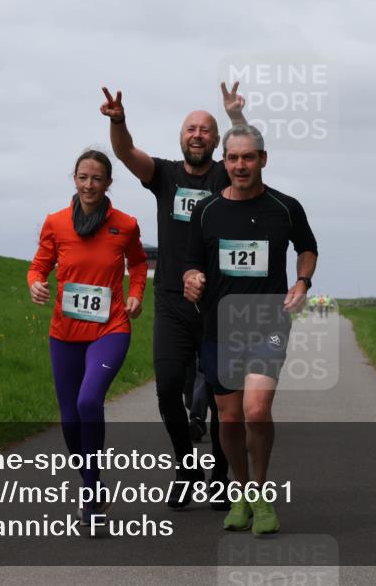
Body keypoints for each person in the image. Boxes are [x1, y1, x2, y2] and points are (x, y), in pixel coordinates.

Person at [100, 82, 246, 509]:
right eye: (190, 129)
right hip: (172, 302)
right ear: (181, 138)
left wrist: (237, 117)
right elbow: (126, 153)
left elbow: (249, 152)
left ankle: (220, 473)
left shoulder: (226, 174)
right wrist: (118, 121)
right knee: (166, 389)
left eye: (206, 129)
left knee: (223, 397)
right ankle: (186, 466)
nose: (197, 134)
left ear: (217, 141)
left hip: (219, 303)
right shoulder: (164, 175)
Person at [183, 124, 318, 535]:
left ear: (263, 159)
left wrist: (301, 282)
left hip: (268, 323)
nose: (240, 165)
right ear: (224, 162)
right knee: (229, 418)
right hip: (219, 326)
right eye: (233, 158)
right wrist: (191, 279)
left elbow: (307, 247)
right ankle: (241, 492)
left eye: (248, 157)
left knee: (256, 411)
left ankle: (259, 493)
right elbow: (190, 263)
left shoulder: (286, 207)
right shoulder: (205, 211)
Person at [28, 149, 148, 526]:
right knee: (69, 421)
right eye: (83, 177)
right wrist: (35, 284)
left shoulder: (125, 225)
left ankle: (91, 499)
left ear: (108, 183)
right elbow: (39, 265)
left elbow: (139, 263)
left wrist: (135, 294)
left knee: (88, 400)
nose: (89, 184)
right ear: (74, 179)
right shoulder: (56, 223)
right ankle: (94, 484)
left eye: (97, 178)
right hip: (64, 333)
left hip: (110, 329)